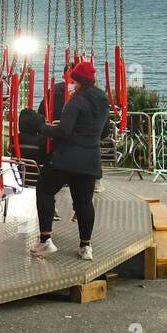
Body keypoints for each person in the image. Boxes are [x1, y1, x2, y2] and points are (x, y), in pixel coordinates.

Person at [32, 60, 113, 262]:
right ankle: (85, 246)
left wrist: (44, 127)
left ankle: (45, 241)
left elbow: (64, 131)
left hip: (67, 159)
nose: (72, 83)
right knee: (84, 203)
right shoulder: (103, 99)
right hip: (90, 160)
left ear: (78, 80)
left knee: (44, 189)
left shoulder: (76, 101)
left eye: (74, 79)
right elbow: (105, 131)